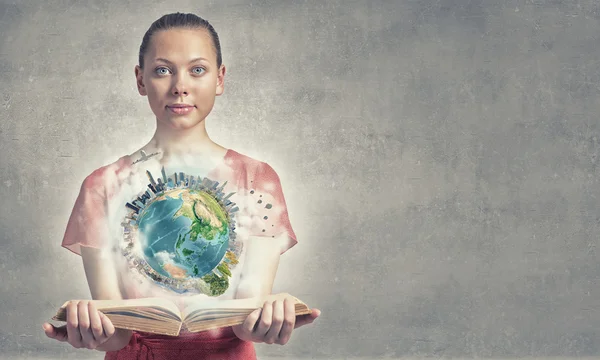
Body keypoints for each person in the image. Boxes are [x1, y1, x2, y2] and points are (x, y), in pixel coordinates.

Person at [42, 12, 320, 359]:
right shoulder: (103, 186)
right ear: (140, 80)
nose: (180, 86)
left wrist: (271, 315)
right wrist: (91, 327)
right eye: (162, 70)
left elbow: (245, 320)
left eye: (197, 70)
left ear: (220, 78)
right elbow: (116, 335)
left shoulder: (257, 179)